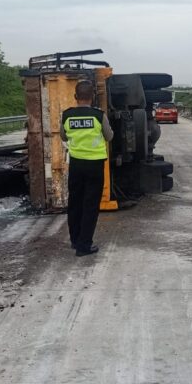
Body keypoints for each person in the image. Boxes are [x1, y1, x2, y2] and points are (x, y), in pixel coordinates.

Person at [60, 80, 114, 257]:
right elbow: (109, 136)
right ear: (92, 97)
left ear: (76, 97)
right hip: (94, 165)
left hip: (76, 164)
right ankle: (85, 245)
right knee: (90, 205)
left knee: (75, 203)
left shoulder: (67, 115)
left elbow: (63, 135)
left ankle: (75, 241)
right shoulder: (99, 115)